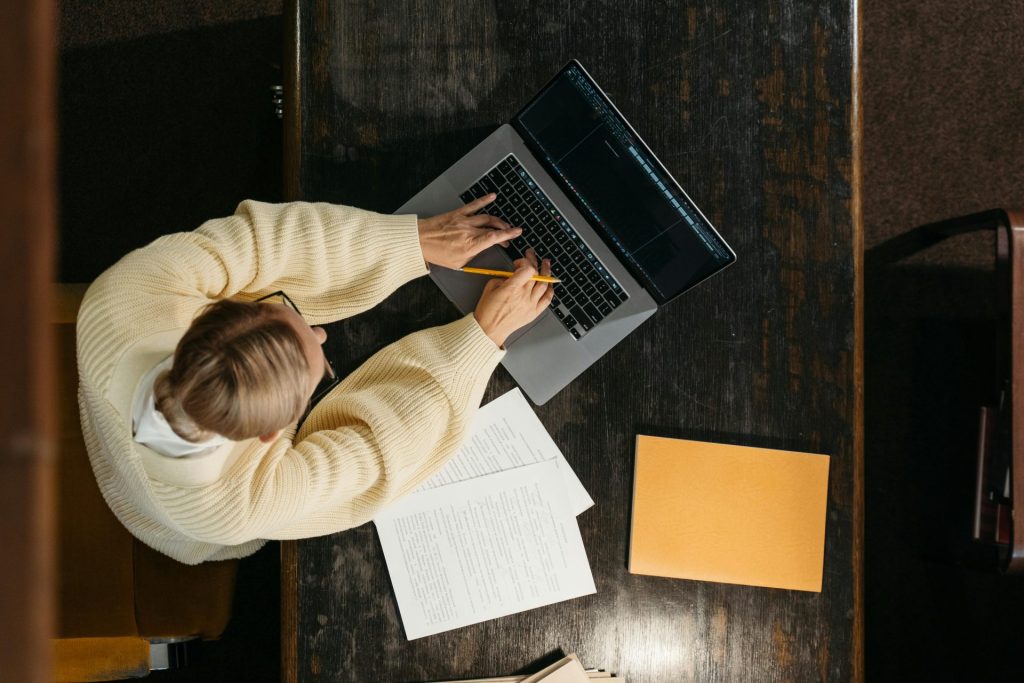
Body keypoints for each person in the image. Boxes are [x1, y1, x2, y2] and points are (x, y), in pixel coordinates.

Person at [77, 195, 552, 565]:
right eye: (320, 366)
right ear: (272, 435)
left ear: (217, 314)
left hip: (110, 412)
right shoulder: (232, 505)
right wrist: (484, 336)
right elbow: (378, 454)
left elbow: (266, 241)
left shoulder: (124, 294)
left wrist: (411, 241)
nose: (322, 332)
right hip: (161, 516)